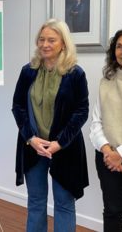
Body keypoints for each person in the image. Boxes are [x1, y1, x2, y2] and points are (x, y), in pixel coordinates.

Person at [12, 18, 89, 232]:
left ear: (63, 43)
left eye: (52, 40)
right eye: (41, 39)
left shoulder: (75, 74)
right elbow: (17, 106)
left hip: (65, 149)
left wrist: (59, 143)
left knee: (64, 205)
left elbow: (82, 111)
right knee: (36, 203)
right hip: (33, 147)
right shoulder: (28, 71)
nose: (45, 44)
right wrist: (30, 138)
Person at [89, 28, 122, 232]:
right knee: (112, 210)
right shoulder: (106, 82)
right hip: (106, 157)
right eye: (119, 46)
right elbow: (95, 123)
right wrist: (108, 151)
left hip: (116, 156)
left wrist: (120, 154)